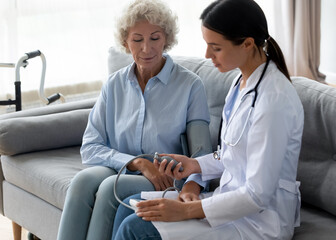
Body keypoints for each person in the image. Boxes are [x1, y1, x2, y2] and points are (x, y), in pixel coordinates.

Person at [112, 0, 304, 239]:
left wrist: (186, 211)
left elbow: (257, 195)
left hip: (259, 221)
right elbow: (235, 153)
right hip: (229, 203)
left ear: (247, 44)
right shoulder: (241, 83)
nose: (207, 55)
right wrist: (195, 165)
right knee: (130, 204)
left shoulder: (274, 101)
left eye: (216, 47)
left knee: (135, 228)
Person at [56, 0, 211, 239]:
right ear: (125, 42)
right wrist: (137, 163)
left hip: (164, 179)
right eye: (137, 40)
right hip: (120, 167)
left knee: (110, 188)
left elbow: (202, 154)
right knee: (81, 182)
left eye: (155, 38)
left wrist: (188, 184)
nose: (147, 49)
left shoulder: (190, 85)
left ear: (166, 38)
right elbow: (90, 147)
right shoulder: (114, 84)